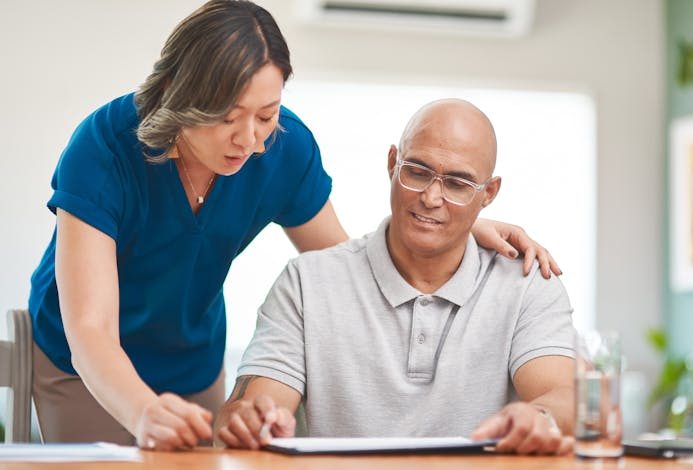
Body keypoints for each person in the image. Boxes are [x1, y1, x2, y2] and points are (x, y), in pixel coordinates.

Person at [28, 0, 560, 451]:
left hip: (191, 359)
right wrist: (142, 411)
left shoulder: (284, 148)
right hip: (82, 365)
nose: (249, 139)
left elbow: (353, 272)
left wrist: (454, 230)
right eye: (227, 116)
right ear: (179, 92)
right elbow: (91, 330)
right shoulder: (104, 147)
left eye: (266, 113)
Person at [214, 99, 576, 455]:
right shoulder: (306, 283)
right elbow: (254, 405)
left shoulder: (526, 283)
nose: (432, 197)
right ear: (392, 164)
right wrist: (248, 420)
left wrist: (540, 417)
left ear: (489, 194)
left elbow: (566, 397)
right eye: (417, 172)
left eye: (457, 184)